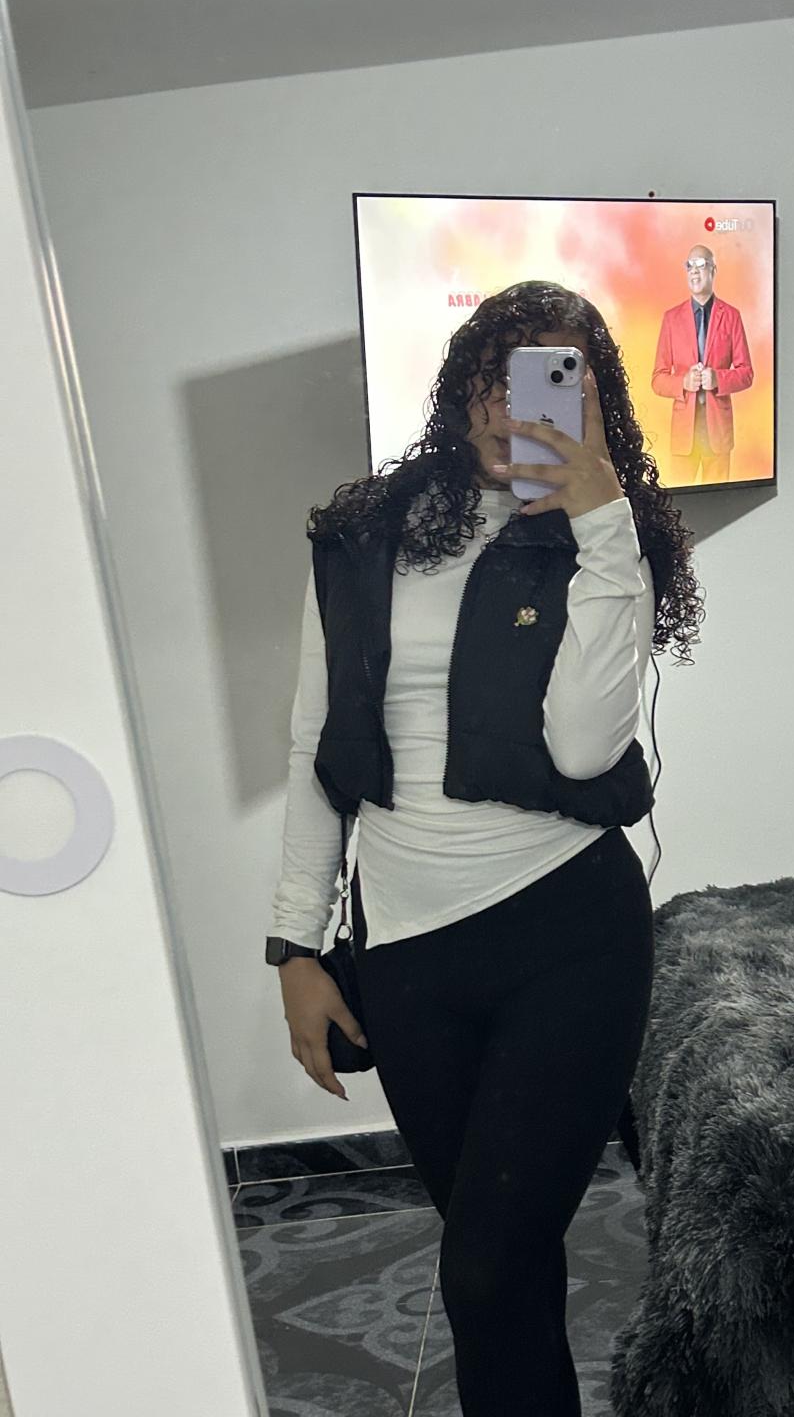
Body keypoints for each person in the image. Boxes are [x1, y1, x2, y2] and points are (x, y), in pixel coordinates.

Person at [266, 280, 704, 1416]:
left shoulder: (598, 537)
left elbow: (583, 747)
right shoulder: (363, 536)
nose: (518, 407)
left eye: (557, 382)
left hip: (567, 934)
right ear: (463, 388)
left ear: (594, 404)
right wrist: (295, 947)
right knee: (500, 1269)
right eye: (498, 376)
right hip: (407, 955)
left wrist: (600, 520)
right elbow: (318, 741)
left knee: (485, 1266)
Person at [651, 243, 754, 487]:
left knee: (719, 499)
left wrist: (718, 379)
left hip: (717, 433)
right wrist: (683, 382)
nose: (694, 271)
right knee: (679, 502)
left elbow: (746, 373)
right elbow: (657, 379)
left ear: (713, 270)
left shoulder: (731, 316)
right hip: (683, 434)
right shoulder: (671, 318)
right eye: (689, 266)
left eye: (701, 265)